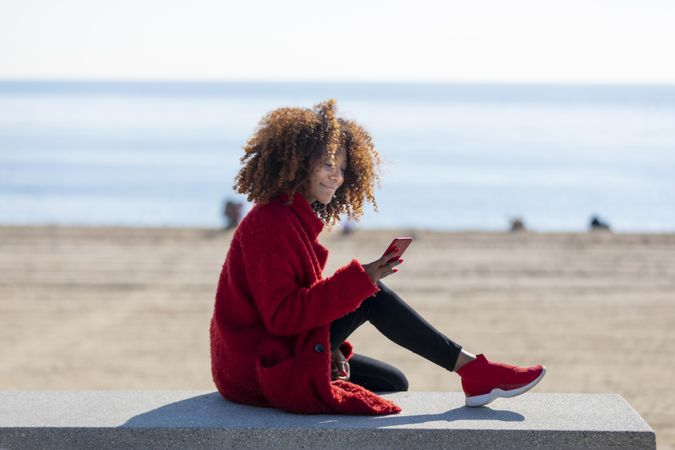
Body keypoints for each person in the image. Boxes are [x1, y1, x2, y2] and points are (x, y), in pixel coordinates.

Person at [210, 100, 545, 415]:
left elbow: (295, 310)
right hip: (253, 366)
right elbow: (283, 317)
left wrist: (332, 345)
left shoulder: (292, 218)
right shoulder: (271, 223)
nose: (337, 177)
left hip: (268, 351)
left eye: (342, 167)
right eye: (327, 164)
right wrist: (360, 281)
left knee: (393, 382)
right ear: (297, 162)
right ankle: (475, 371)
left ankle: (474, 372)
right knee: (371, 296)